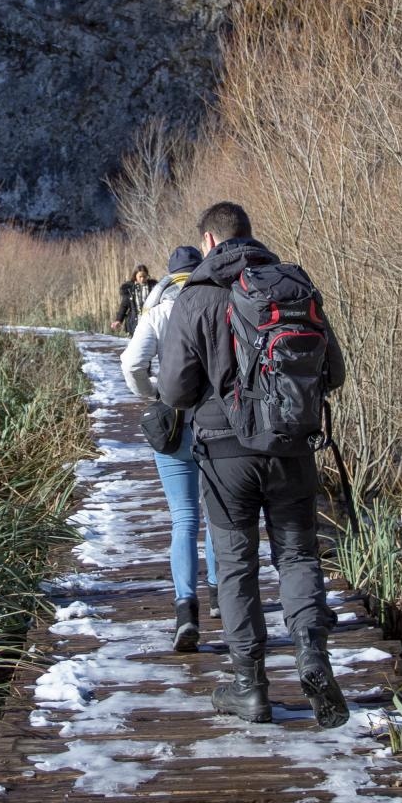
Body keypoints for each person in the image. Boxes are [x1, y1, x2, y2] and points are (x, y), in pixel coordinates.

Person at [158, 202, 349, 728]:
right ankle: (313, 656)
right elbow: (332, 372)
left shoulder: (195, 295)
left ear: (208, 241)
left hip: (226, 457)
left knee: (237, 566)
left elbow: (174, 389)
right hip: (291, 448)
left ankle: (250, 687)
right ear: (250, 236)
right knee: (298, 558)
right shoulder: (292, 285)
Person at [120, 247, 220, 651]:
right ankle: (219, 596)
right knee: (218, 515)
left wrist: (157, 394)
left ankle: (185, 609)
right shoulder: (217, 298)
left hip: (174, 422)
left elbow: (131, 365)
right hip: (218, 423)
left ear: (170, 274)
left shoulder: (157, 308)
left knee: (183, 518)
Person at [110, 264, 155, 333]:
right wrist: (118, 320)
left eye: (144, 276)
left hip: (151, 321)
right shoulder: (129, 289)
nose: (142, 279)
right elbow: (124, 306)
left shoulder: (153, 287)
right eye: (140, 277)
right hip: (135, 322)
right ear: (135, 276)